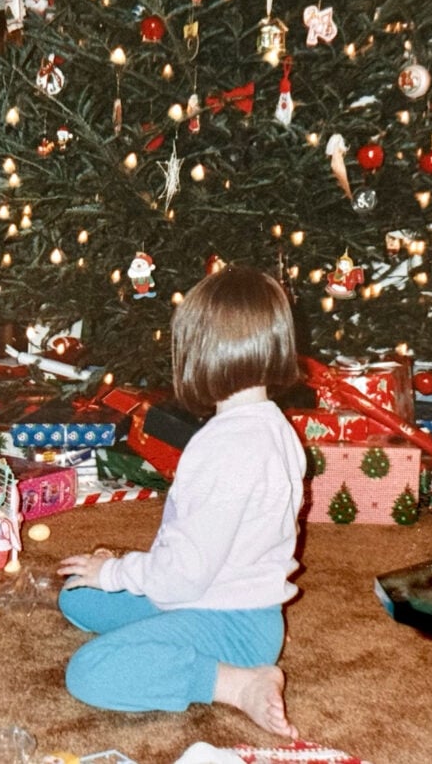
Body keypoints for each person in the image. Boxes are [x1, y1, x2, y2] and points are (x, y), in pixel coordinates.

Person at [57, 265, 305, 739]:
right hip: (230, 603)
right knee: (78, 595)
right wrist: (117, 573)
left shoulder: (224, 448)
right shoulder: (272, 424)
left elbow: (183, 577)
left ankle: (235, 683)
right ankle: (179, 645)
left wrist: (118, 572)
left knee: (90, 671)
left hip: (231, 625)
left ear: (200, 355)